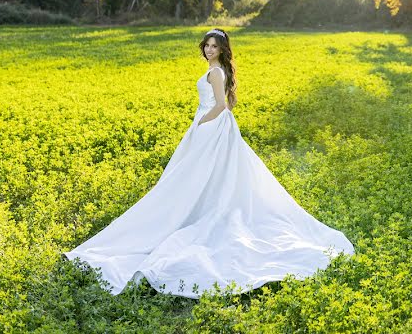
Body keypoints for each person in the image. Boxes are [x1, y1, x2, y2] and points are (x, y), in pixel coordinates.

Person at [64, 28, 354, 298]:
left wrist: (202, 122)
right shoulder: (219, 70)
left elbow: (219, 105)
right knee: (205, 173)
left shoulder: (216, 72)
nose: (209, 50)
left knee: (196, 174)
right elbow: (229, 105)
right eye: (207, 45)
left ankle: (196, 209)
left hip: (211, 124)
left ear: (222, 49)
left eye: (215, 46)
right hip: (217, 124)